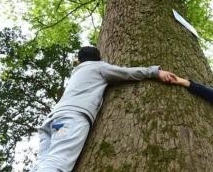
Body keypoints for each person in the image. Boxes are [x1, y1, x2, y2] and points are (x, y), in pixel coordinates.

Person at [33, 46, 178, 172]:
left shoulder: (77, 71)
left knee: (43, 164)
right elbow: (126, 73)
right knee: (57, 162)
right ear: (98, 58)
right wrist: (154, 72)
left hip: (52, 121)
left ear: (79, 60)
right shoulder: (98, 67)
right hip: (72, 117)